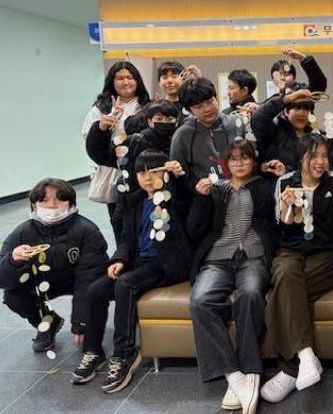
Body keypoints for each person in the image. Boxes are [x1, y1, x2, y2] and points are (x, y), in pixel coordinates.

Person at [72, 150, 192, 392]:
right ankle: (93, 351)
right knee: (95, 290)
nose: (147, 178)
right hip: (139, 262)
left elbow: (184, 198)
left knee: (125, 285)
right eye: (141, 172)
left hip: (166, 263)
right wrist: (120, 259)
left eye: (154, 172)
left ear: (164, 172)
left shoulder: (173, 198)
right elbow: (126, 237)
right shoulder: (134, 202)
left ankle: (124, 354)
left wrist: (178, 177)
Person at [187, 139, 277, 414]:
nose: (239, 163)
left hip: (253, 257)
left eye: (245, 157)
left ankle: (250, 368)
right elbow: (194, 229)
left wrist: (277, 176)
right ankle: (234, 375)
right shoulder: (216, 189)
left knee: (250, 293)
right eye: (234, 158)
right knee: (200, 300)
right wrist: (201, 198)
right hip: (218, 258)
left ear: (254, 161)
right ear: (226, 163)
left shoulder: (263, 186)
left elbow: (277, 218)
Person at [260, 133, 333, 403]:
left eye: (324, 156)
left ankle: (289, 369)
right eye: (313, 156)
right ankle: (307, 357)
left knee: (283, 292)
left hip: (326, 254)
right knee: (285, 274)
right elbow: (283, 225)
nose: (320, 162)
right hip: (291, 250)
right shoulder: (285, 182)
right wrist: (287, 206)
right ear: (300, 159)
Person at [0, 179, 107, 353]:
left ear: (71, 203)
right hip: (41, 282)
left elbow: (89, 277)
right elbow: (2, 278)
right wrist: (13, 260)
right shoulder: (22, 232)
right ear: (34, 205)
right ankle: (48, 324)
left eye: (59, 199)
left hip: (75, 280)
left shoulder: (86, 230)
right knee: (13, 296)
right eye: (44, 201)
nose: (51, 206)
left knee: (98, 289)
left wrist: (80, 321)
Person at [82, 61, 151, 240]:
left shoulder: (147, 106)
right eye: (120, 78)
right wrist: (103, 127)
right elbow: (89, 140)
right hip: (115, 173)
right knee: (121, 223)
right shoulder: (101, 109)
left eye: (130, 77)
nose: (125, 82)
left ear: (137, 80)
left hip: (145, 173)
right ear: (111, 82)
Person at [86, 100, 181, 198]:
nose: (164, 122)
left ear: (177, 122)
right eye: (159, 119)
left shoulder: (182, 142)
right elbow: (102, 155)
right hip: (136, 200)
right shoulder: (134, 142)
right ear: (150, 122)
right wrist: (100, 129)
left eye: (170, 119)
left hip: (175, 199)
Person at [170, 77, 245, 198]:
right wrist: (196, 188)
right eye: (199, 106)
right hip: (205, 198)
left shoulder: (236, 123)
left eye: (210, 102)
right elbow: (181, 178)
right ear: (189, 110)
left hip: (242, 194)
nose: (207, 109)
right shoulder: (182, 136)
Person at [250, 89, 317, 179]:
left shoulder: (314, 137)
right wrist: (286, 99)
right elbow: (258, 119)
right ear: (286, 111)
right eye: (297, 108)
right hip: (274, 185)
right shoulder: (274, 130)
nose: (301, 113)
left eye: (306, 108)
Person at [123, 61, 199, 133]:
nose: (169, 81)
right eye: (165, 77)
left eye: (174, 76)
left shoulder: (191, 105)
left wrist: (198, 84)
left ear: (184, 79)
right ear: (159, 82)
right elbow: (130, 126)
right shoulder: (153, 106)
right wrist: (151, 110)